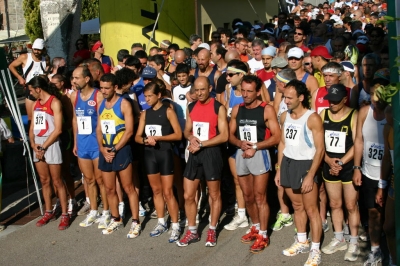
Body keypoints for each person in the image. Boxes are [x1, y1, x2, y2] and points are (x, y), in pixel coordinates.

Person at [275, 79, 325, 266]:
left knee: (312, 210)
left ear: (301, 98)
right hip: (288, 163)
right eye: (284, 97)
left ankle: (315, 250)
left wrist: (311, 175)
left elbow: (320, 149)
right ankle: (302, 240)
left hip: (306, 164)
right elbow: (282, 143)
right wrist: (279, 169)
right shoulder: (284, 116)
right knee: (297, 206)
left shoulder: (312, 118)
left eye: (289, 98)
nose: (286, 101)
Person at [229, 75, 280, 253]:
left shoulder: (267, 109)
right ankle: (256, 227)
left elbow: (276, 136)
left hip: (259, 154)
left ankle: (264, 234)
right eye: (243, 90)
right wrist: (239, 144)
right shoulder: (237, 109)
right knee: (248, 196)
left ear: (258, 92)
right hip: (242, 154)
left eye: (249, 91)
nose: (245, 94)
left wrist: (256, 146)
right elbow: (230, 135)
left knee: (260, 197)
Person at [177, 77, 228, 247]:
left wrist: (202, 144)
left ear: (210, 88)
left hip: (211, 152)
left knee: (214, 194)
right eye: (196, 90)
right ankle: (192, 231)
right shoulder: (191, 106)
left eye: (202, 90)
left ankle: (212, 229)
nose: (199, 93)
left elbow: (224, 135)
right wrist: (191, 138)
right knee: (188, 194)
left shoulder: (217, 107)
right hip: (194, 152)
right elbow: (186, 130)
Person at [135, 82, 182, 242]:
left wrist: (159, 138)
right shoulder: (145, 114)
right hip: (150, 155)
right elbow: (137, 137)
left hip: (165, 153)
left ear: (159, 95)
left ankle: (175, 225)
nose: (147, 99)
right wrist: (145, 141)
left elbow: (178, 135)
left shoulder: (168, 111)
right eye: (145, 96)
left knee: (168, 192)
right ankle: (161, 222)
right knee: (156, 191)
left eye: (150, 96)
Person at [319, 84, 360, 261]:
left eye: (336, 101)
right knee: (335, 204)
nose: (332, 104)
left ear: (344, 100)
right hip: (329, 164)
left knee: (350, 205)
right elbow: (319, 142)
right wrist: (328, 160)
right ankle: (338, 238)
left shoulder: (354, 115)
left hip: (347, 165)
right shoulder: (324, 115)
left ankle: (354, 241)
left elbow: (358, 143)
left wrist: (341, 162)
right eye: (330, 101)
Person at [96, 74, 140, 238]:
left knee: (128, 187)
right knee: (109, 188)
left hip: (121, 150)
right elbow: (99, 129)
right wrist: (102, 148)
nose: (104, 91)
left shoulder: (124, 104)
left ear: (115, 87)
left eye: (107, 88)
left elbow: (129, 131)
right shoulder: (101, 104)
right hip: (106, 150)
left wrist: (114, 149)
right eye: (101, 87)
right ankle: (116, 218)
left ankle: (135, 221)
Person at [70, 66, 110, 229]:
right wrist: (75, 142)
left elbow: (102, 119)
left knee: (101, 180)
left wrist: (102, 143)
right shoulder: (74, 95)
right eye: (73, 78)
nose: (73, 81)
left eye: (77, 78)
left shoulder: (98, 95)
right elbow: (74, 120)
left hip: (96, 143)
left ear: (87, 79)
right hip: (82, 142)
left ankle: (106, 211)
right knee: (89, 179)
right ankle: (93, 211)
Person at [28, 76, 69, 230]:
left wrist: (44, 146)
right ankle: (48, 211)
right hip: (38, 143)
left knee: (57, 181)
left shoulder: (54, 102)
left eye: (32, 90)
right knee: (44, 180)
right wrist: (33, 144)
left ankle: (65, 214)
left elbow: (58, 129)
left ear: (39, 89)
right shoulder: (35, 104)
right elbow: (32, 127)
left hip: (50, 143)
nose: (30, 93)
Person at [352, 82, 387, 266]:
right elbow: (359, 141)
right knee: (373, 213)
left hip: (389, 174)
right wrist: (357, 168)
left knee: (389, 217)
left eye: (380, 93)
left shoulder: (392, 113)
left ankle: (392, 252)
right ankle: (375, 250)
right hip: (369, 172)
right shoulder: (364, 112)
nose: (376, 98)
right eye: (373, 93)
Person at [9, 38, 47, 124]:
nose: (36, 51)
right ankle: (32, 136)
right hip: (30, 90)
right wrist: (20, 77)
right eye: (35, 49)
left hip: (42, 90)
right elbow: (11, 66)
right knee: (31, 117)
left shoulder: (45, 60)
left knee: (42, 115)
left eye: (39, 50)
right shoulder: (25, 57)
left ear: (43, 50)